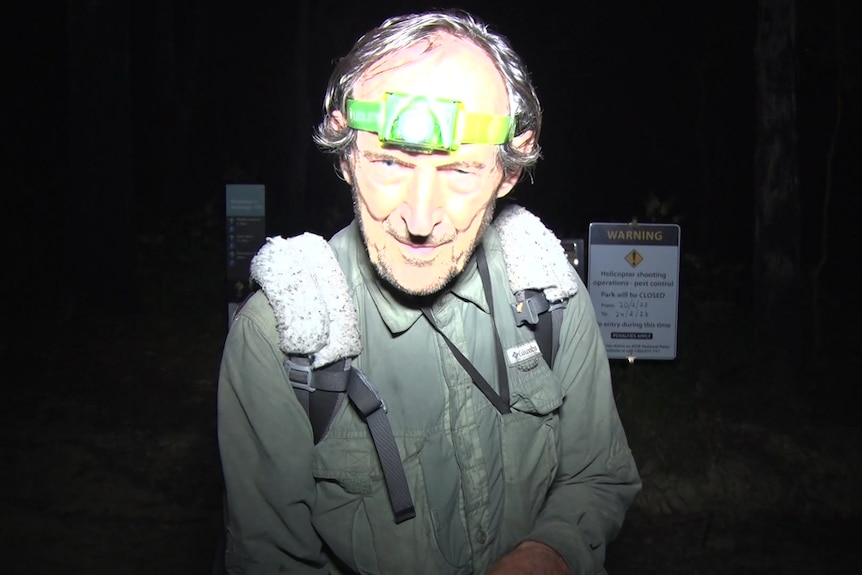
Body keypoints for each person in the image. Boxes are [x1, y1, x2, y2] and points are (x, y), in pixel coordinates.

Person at [217, 9, 641, 574]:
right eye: (390, 162)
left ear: (508, 172)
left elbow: (597, 475)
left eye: (460, 171)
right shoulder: (284, 337)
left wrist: (551, 550)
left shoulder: (547, 297)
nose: (419, 218)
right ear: (347, 154)